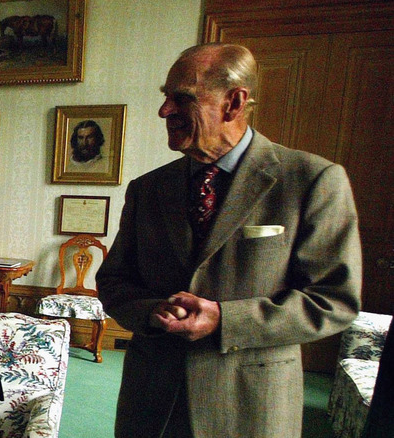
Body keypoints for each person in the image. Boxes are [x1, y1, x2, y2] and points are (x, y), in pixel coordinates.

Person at [96, 43, 362, 438]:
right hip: (151, 403)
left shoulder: (311, 180)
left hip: (249, 405)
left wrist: (225, 321)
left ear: (233, 103)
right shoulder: (148, 188)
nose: (164, 111)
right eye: (165, 98)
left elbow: (334, 300)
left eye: (181, 98)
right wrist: (153, 313)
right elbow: (114, 282)